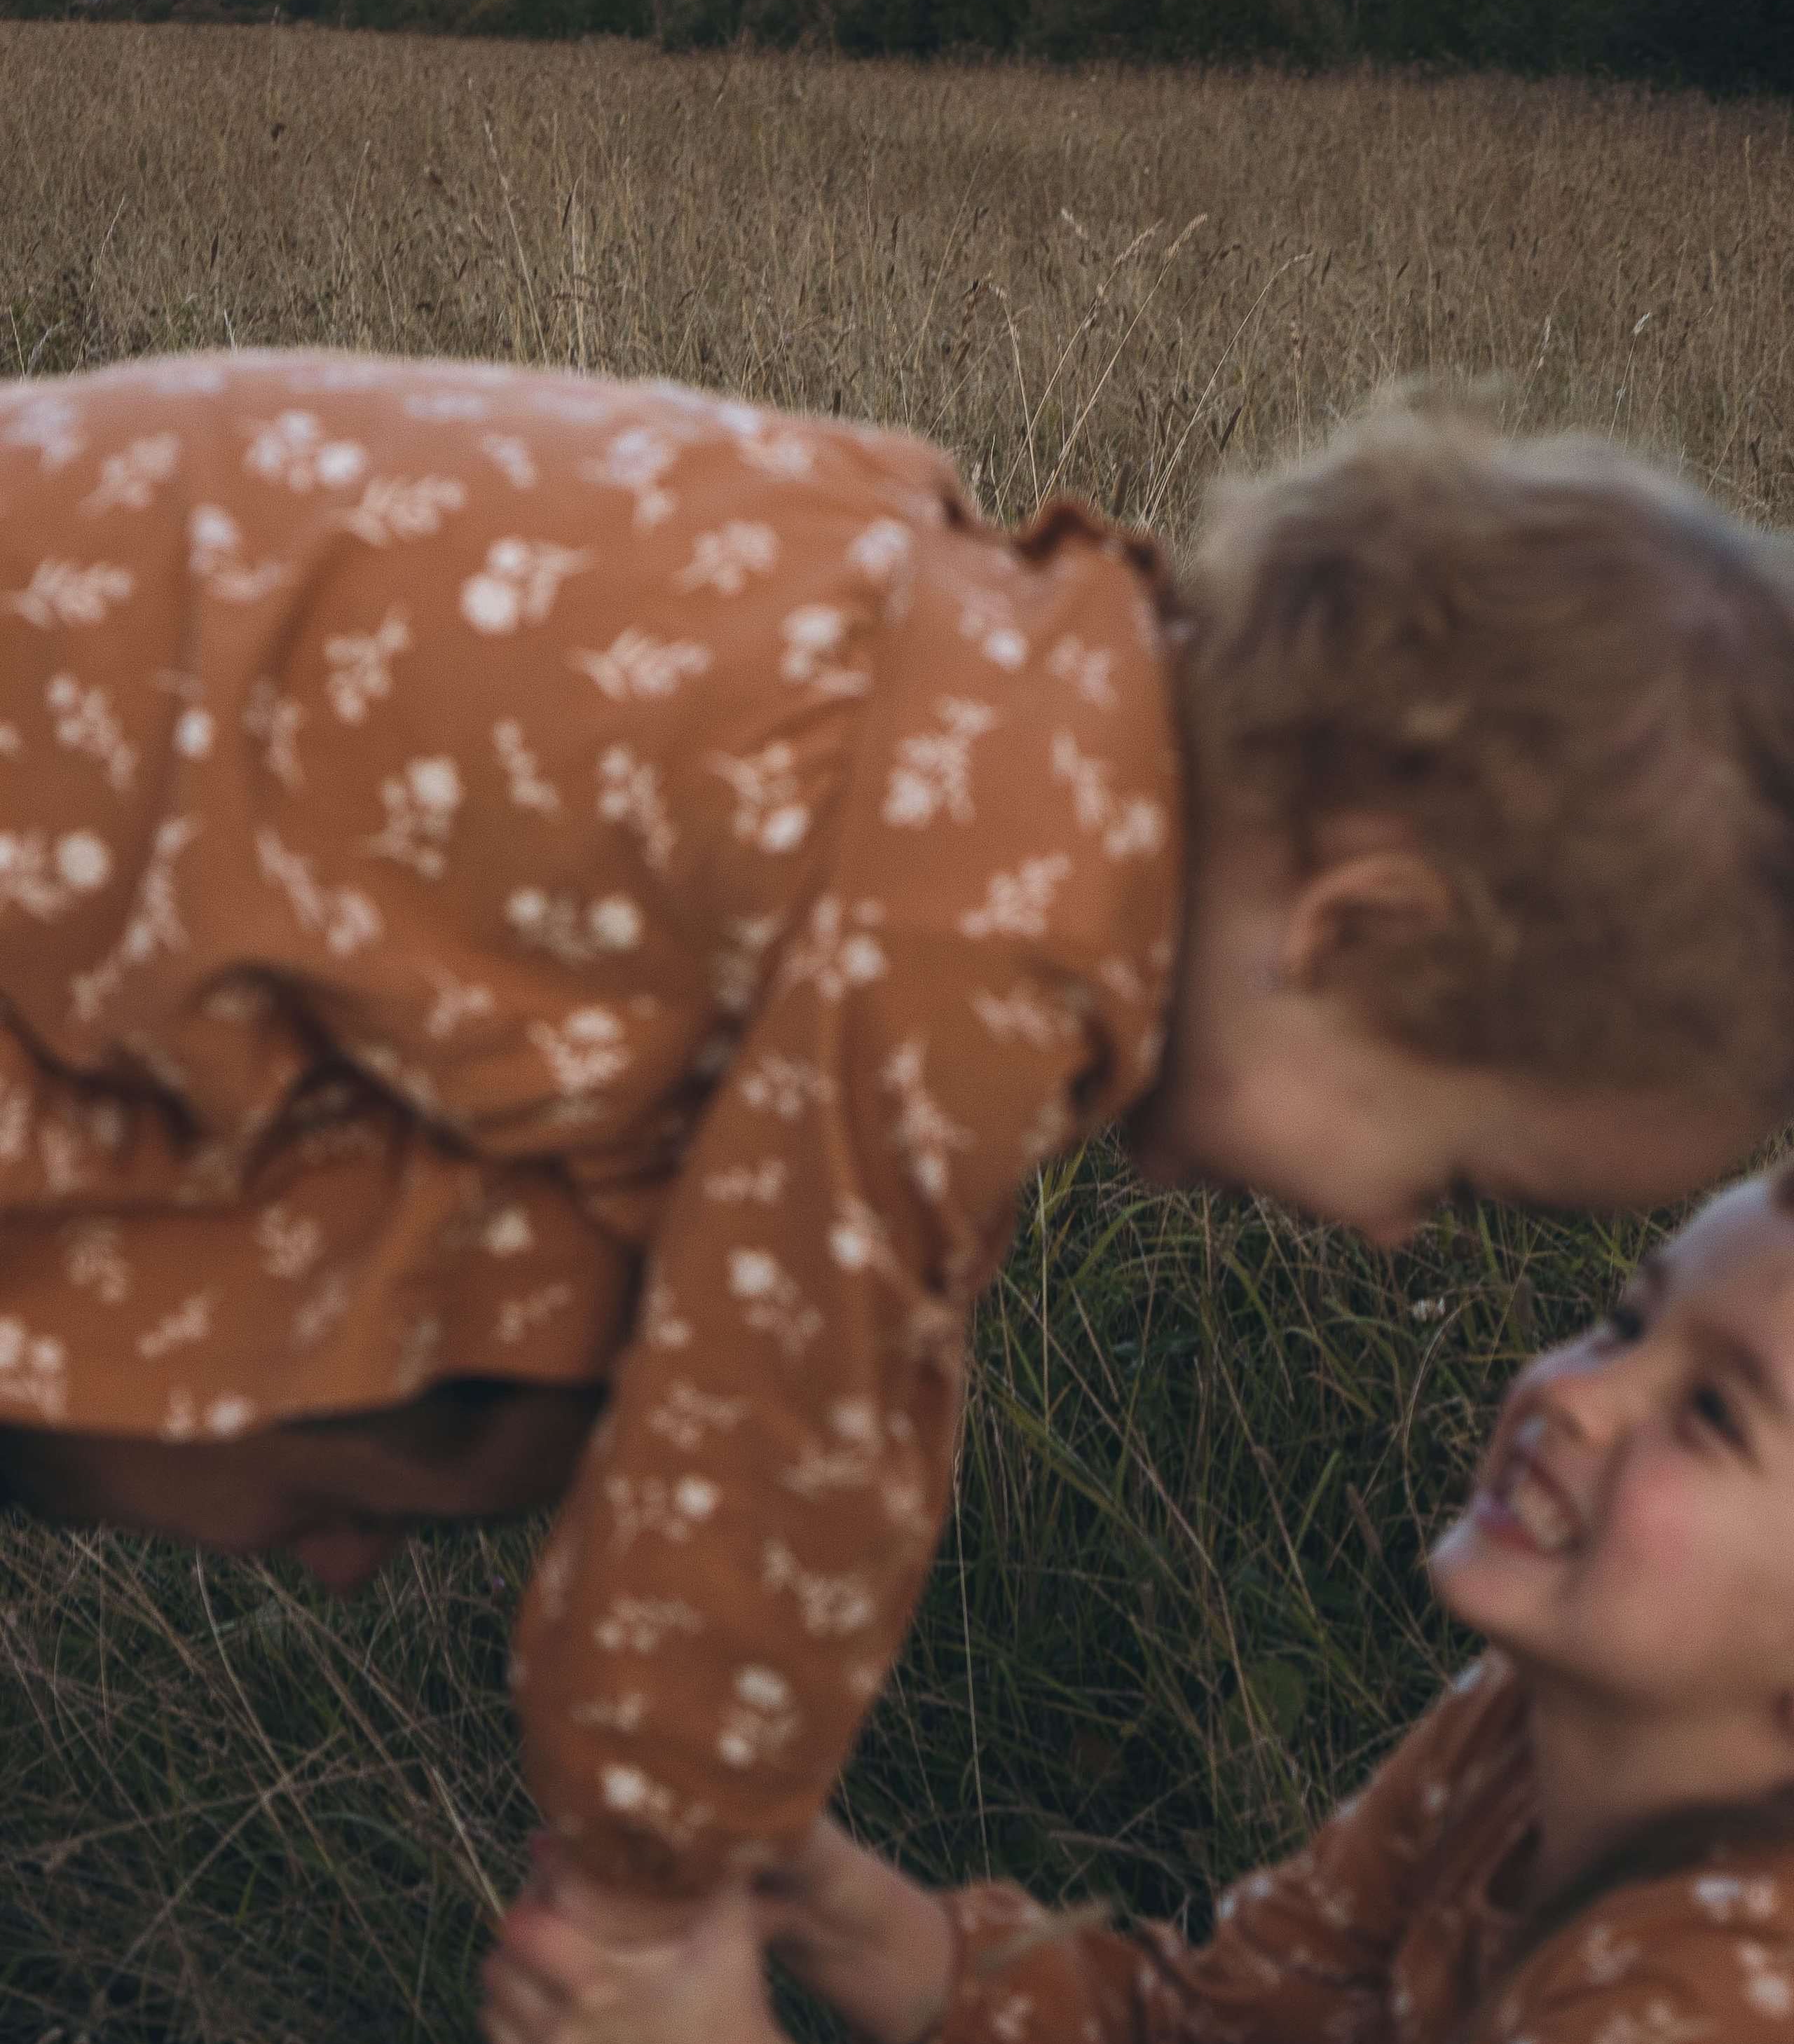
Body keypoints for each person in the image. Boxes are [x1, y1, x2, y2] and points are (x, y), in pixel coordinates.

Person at [1, 350, 1788, 1898]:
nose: (1394, 1234)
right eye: (1456, 1181)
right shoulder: (994, 905)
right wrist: (660, 1861)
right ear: (1350, 935)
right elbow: (783, 1411)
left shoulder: (984, 657)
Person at [484, 1162, 1794, 2044]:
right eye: (1626, 1320)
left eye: (1715, 1413)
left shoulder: (1746, 2009)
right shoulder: (1517, 1726)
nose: (1574, 1391)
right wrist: (823, 1898)